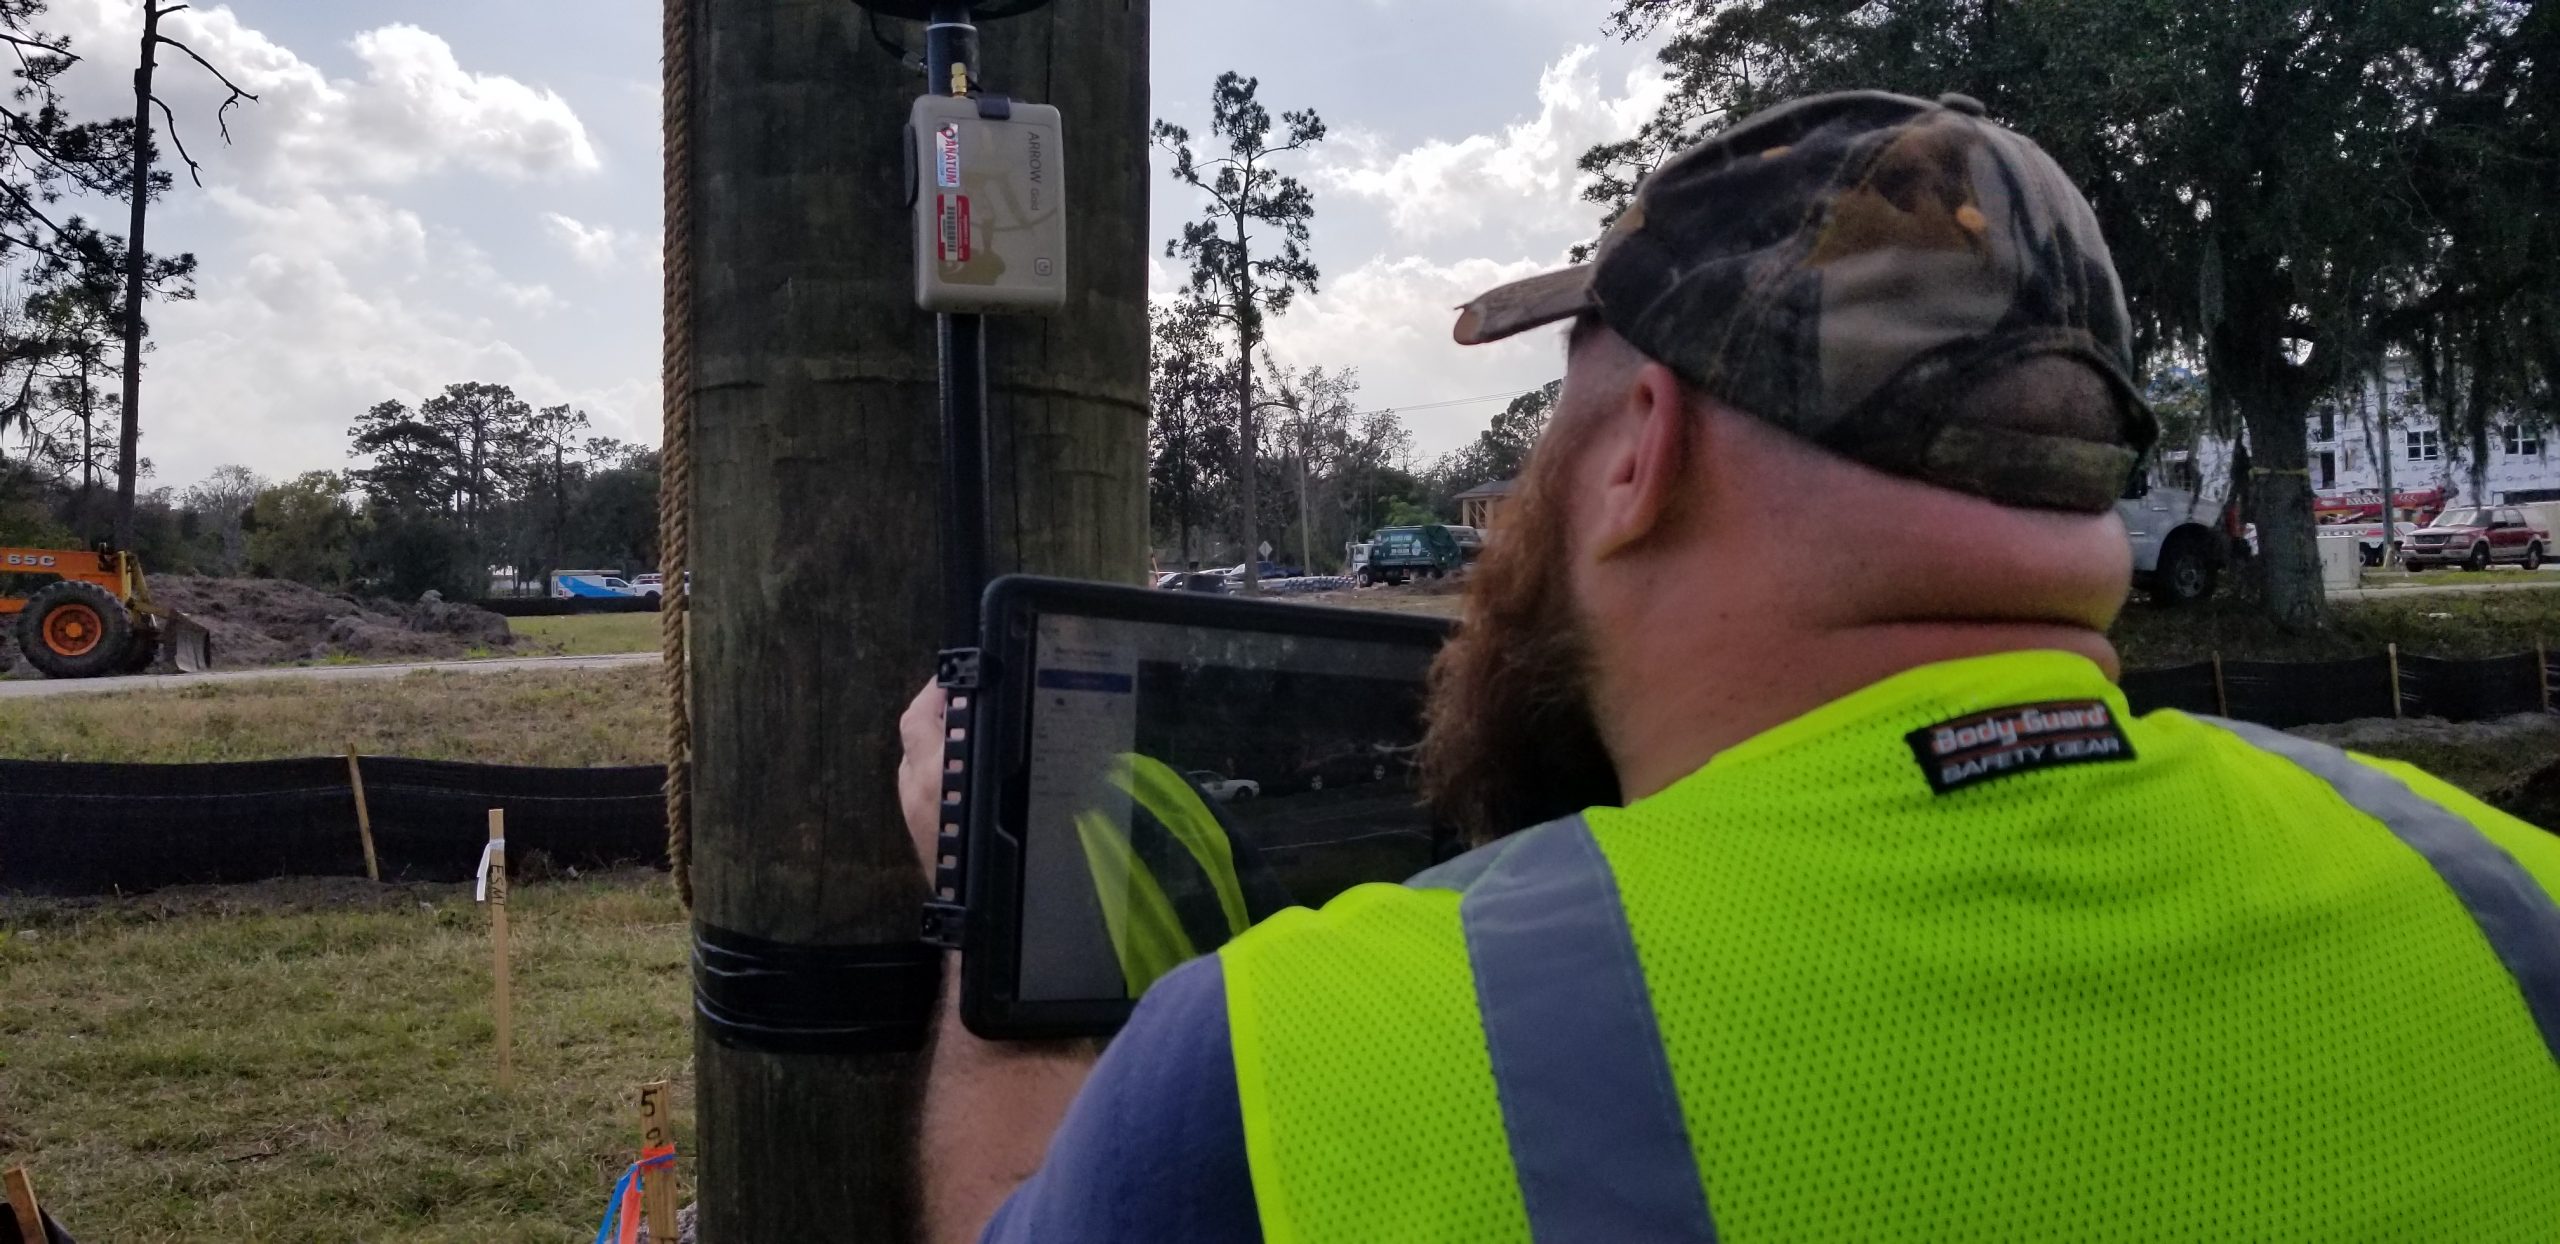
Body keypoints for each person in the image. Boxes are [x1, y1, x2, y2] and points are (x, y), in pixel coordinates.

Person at [898, 90, 2560, 1242]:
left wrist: (1001, 962)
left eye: (1563, 403)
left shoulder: (1281, 1070)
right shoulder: (2512, 901)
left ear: (1642, 455)